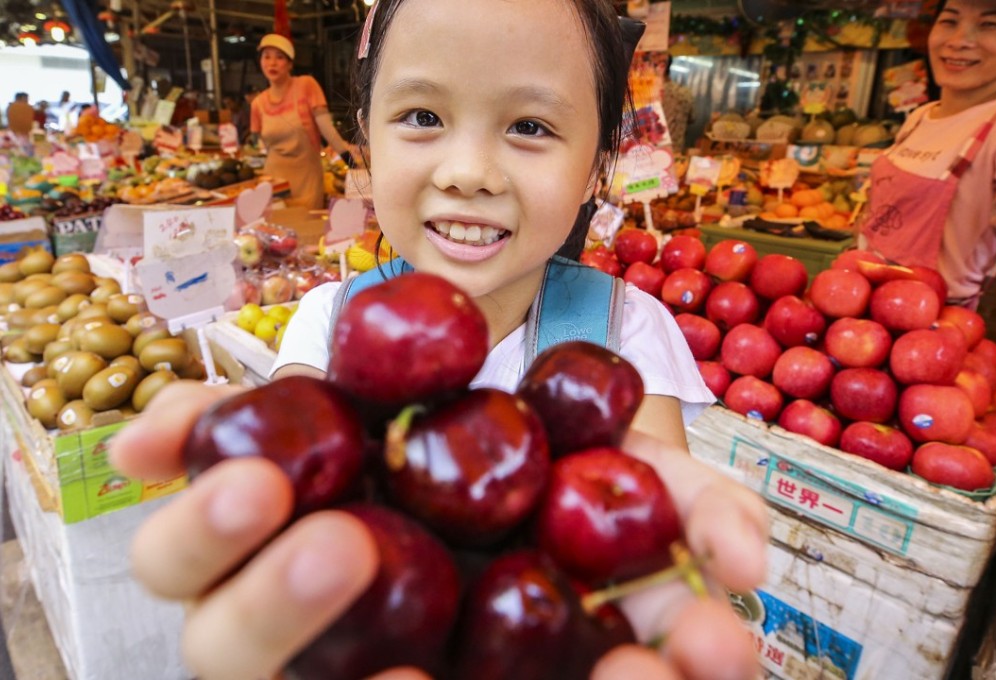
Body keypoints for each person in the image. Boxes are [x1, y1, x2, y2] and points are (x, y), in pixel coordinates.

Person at [108, 2, 770, 679]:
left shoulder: (627, 333)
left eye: (531, 125)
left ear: (599, 165)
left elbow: (642, 531)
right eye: (423, 116)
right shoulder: (328, 322)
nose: (469, 171)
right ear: (365, 137)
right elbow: (296, 480)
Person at [857, 0, 996, 325]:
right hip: (864, 304)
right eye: (949, 21)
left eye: (990, 24)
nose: (959, 40)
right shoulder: (921, 116)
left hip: (931, 328)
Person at [250, 33, 357, 209]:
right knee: (277, 231)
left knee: (308, 231)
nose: (272, 63)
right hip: (274, 179)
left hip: (307, 177)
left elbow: (326, 128)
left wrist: (349, 159)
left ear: (290, 63)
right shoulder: (257, 104)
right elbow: (259, 145)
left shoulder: (307, 85)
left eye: (279, 57)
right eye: (266, 56)